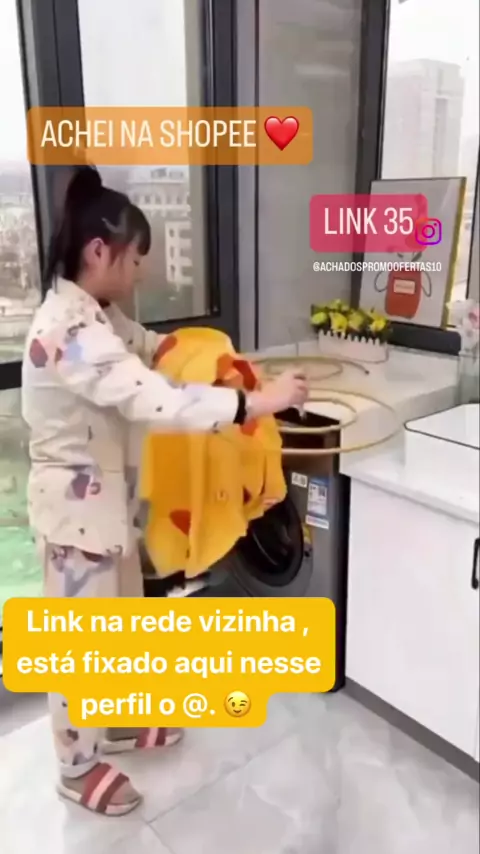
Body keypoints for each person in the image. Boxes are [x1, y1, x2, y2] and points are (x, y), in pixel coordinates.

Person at [21, 166, 308, 816]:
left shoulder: (96, 314)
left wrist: (205, 356)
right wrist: (259, 402)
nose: (141, 271)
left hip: (108, 510)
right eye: (135, 258)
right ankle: (75, 768)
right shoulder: (65, 330)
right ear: (100, 251)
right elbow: (157, 397)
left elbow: (150, 348)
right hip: (74, 518)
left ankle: (121, 720)